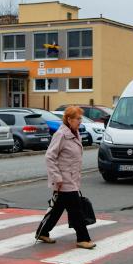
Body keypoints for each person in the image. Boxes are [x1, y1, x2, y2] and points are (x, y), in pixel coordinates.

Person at [35, 105, 95, 249]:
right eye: (78, 118)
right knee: (76, 210)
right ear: (69, 119)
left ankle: (42, 232)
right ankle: (83, 238)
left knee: (57, 208)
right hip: (64, 180)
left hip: (71, 179)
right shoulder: (61, 134)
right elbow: (50, 156)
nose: (80, 121)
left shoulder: (74, 133)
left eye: (80, 118)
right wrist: (57, 177)